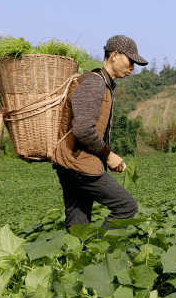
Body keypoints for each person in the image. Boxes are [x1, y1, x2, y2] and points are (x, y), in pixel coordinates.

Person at [51, 35, 146, 230]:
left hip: (69, 163)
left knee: (78, 226)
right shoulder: (95, 83)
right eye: (131, 61)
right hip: (79, 163)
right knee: (126, 206)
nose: (132, 68)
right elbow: (83, 129)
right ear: (115, 55)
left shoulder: (102, 84)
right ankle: (103, 254)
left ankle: (79, 259)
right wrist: (108, 156)